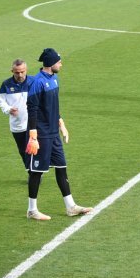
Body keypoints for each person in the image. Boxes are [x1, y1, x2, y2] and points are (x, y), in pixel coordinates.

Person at [24, 48, 93, 220]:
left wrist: (62, 124)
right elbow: (32, 109)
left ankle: (71, 206)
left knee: (61, 167)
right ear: (50, 63)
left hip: (54, 133)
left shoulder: (54, 79)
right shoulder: (37, 82)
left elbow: (53, 106)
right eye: (58, 61)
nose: (61, 64)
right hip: (41, 135)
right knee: (36, 172)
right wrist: (33, 136)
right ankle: (32, 210)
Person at [0, 58, 33, 171]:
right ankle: (31, 172)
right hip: (17, 125)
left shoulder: (33, 82)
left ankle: (35, 173)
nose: (20, 75)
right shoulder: (6, 84)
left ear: (26, 70)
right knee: (23, 151)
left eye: (22, 71)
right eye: (17, 72)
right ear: (12, 71)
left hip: (33, 124)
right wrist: (8, 109)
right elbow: (0, 100)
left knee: (34, 149)